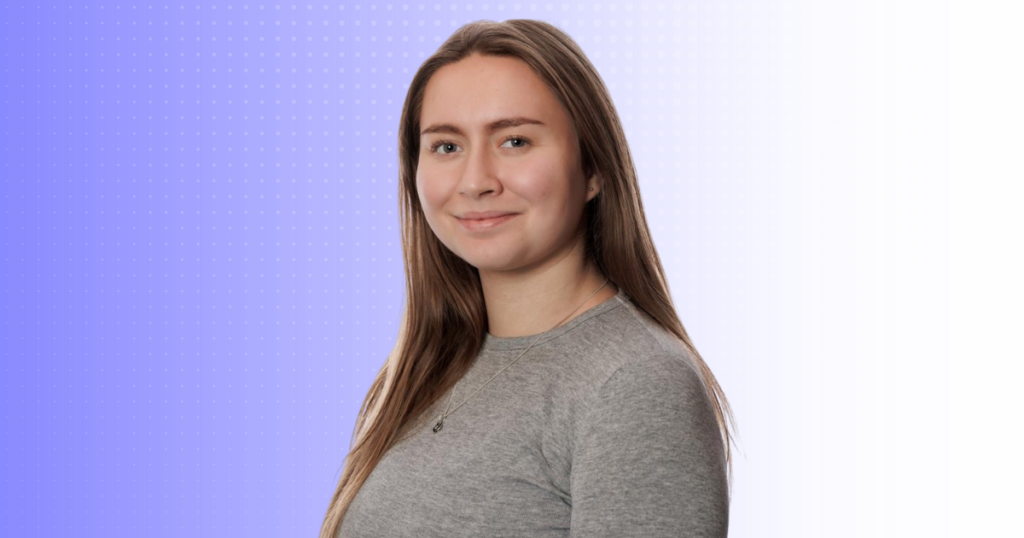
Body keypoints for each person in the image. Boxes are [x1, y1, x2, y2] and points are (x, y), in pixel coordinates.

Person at [320, 19, 736, 538]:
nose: (475, 182)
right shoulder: (427, 369)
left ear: (593, 169)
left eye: (515, 141)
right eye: (446, 147)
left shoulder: (635, 385)